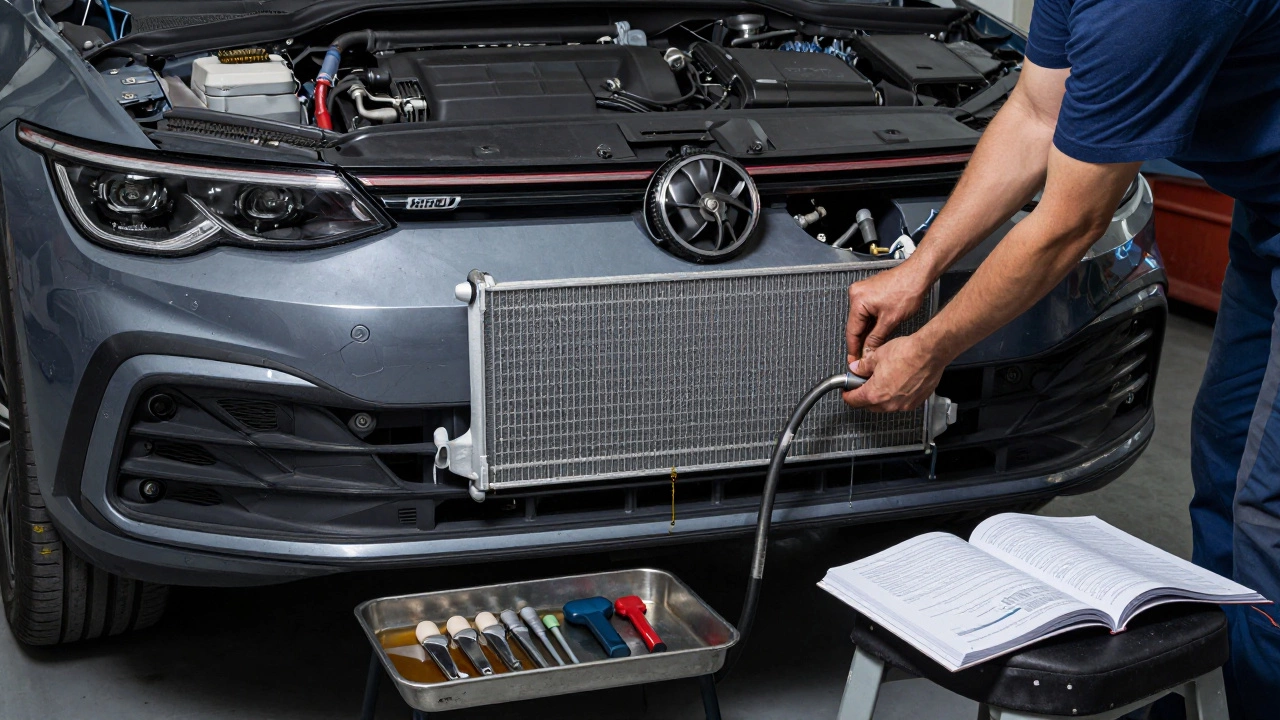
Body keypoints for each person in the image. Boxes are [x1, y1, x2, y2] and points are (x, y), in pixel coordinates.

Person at [840, 1, 1280, 717]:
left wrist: (934, 347)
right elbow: (1034, 118)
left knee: (1270, 503)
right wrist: (916, 268)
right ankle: (1230, 690)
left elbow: (1069, 221)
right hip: (1269, 209)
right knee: (1228, 451)